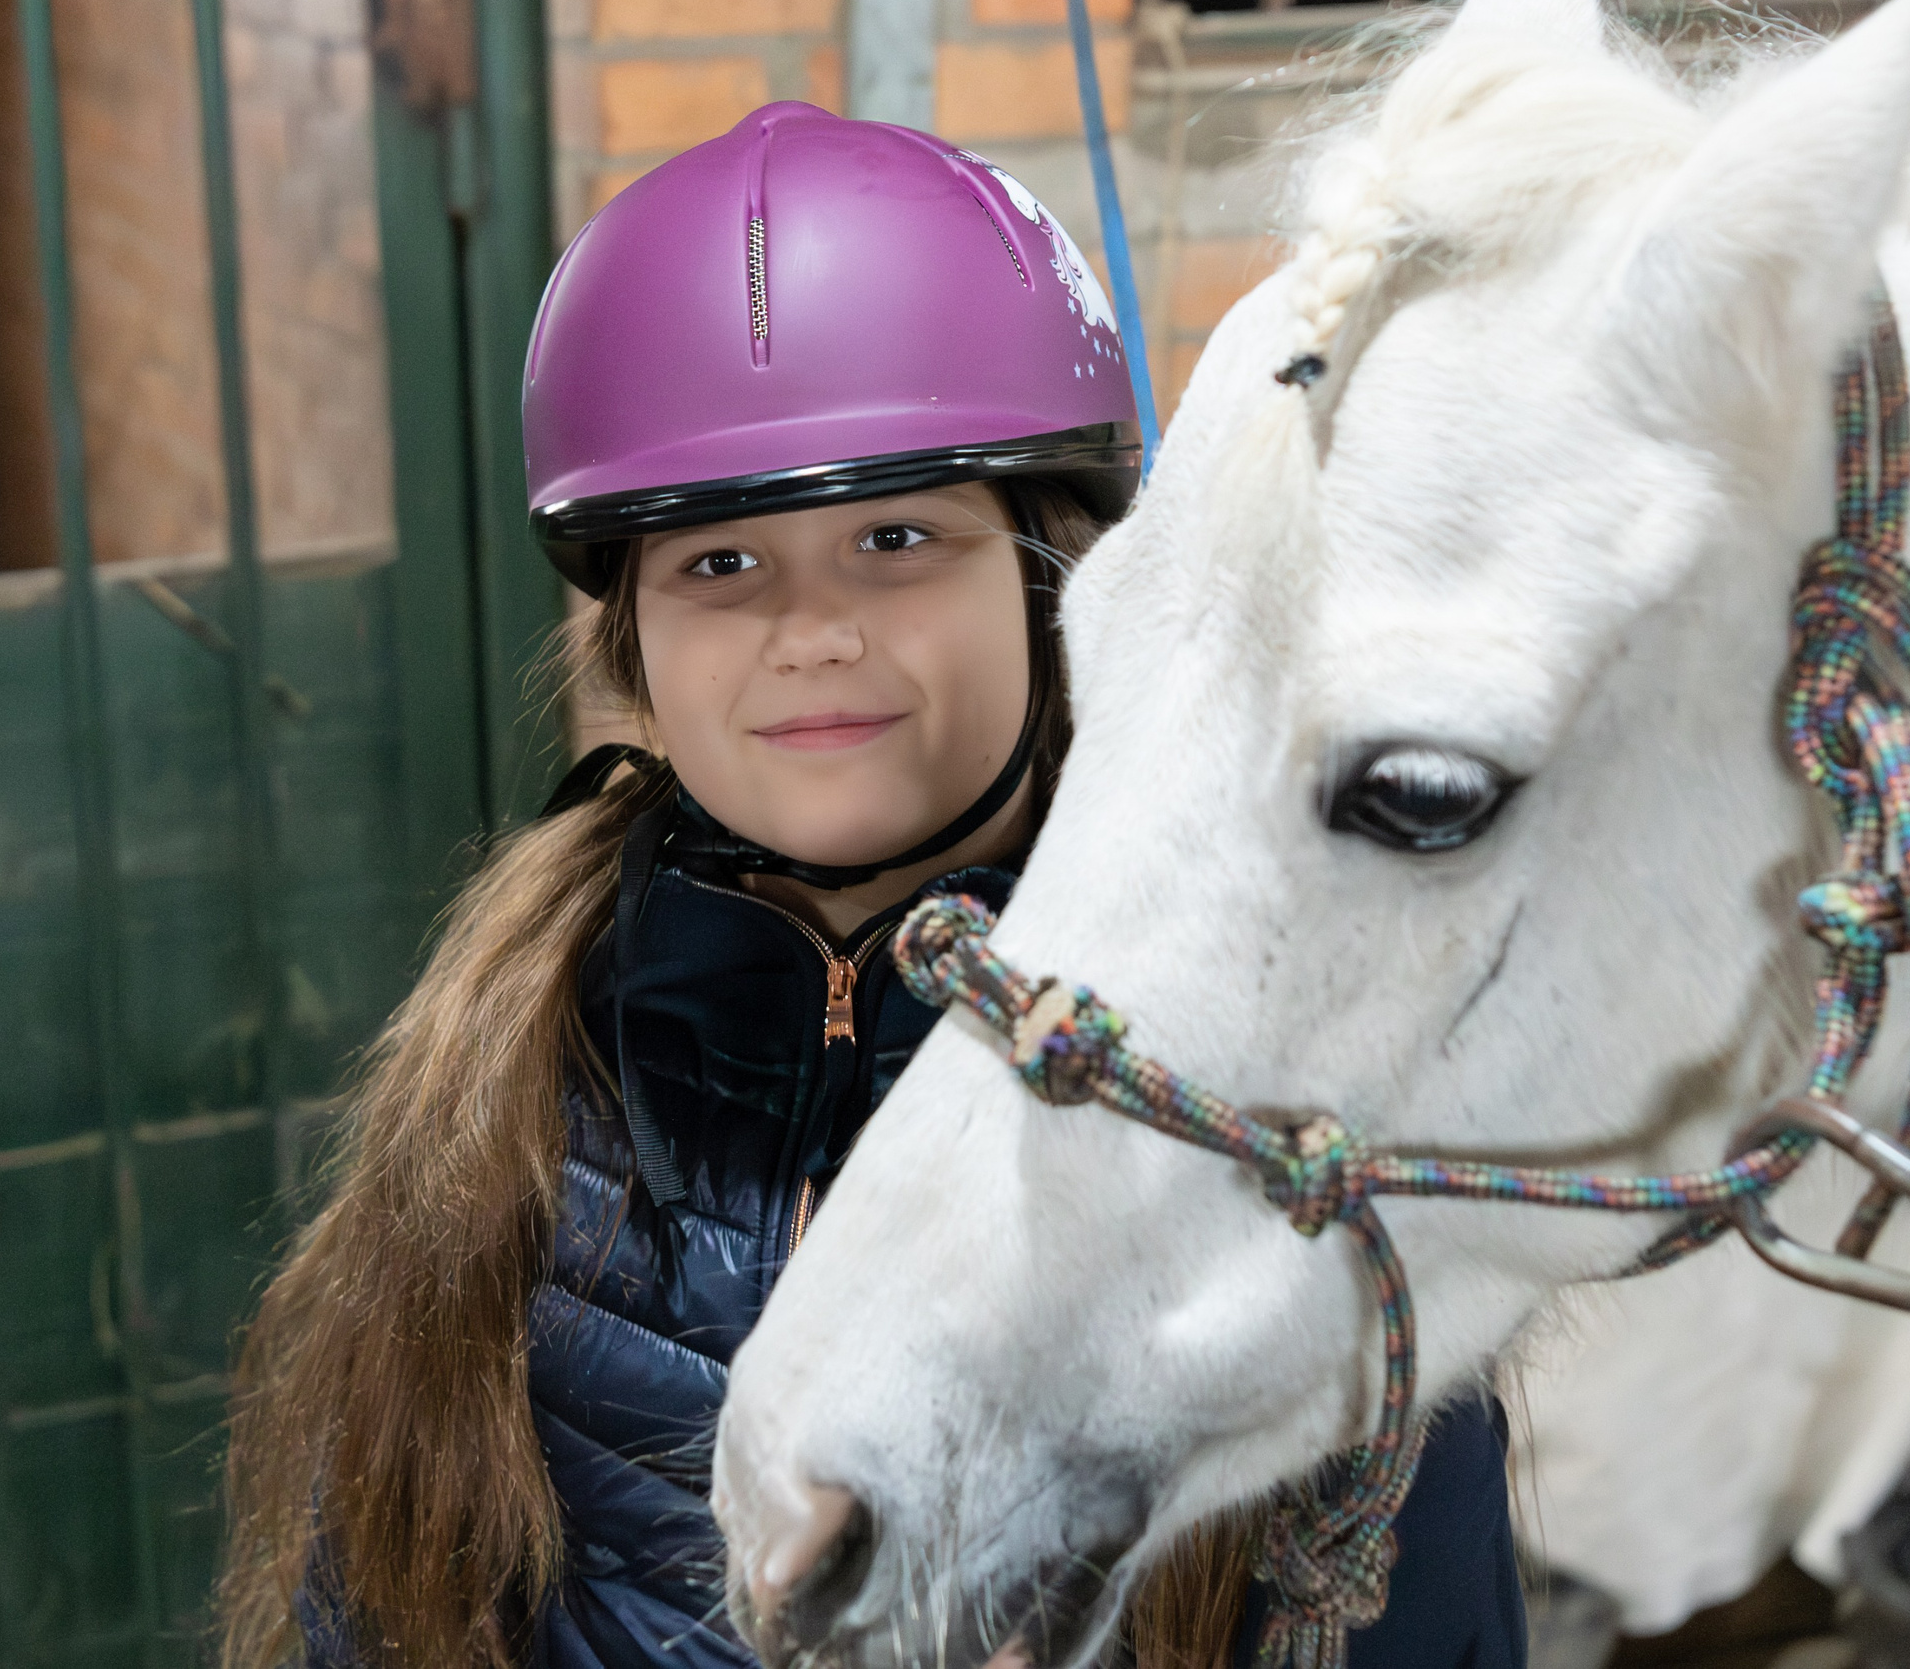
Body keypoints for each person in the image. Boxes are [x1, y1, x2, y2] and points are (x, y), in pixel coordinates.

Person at [216, 102, 1525, 1669]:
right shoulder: (495, 1083)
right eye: (719, 564)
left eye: (897, 537)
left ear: (1063, 577)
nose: (812, 628)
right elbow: (376, 1608)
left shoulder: (1268, 1133)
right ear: (627, 630)